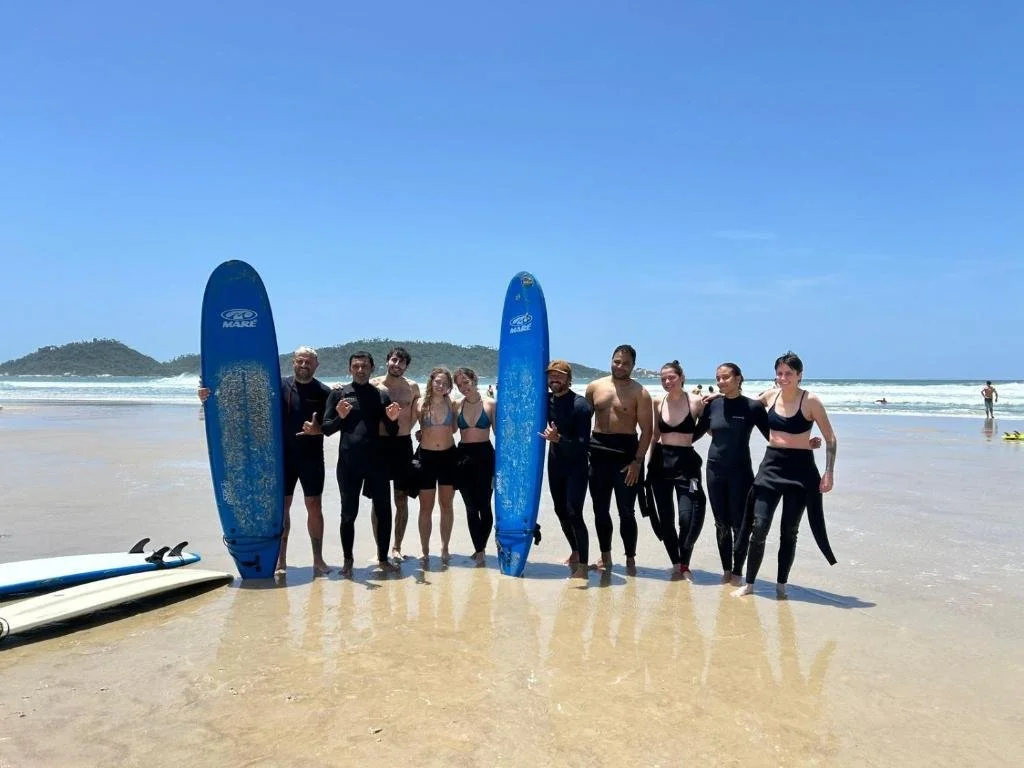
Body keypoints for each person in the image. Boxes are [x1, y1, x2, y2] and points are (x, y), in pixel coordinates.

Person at [198, 346, 332, 576]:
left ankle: (318, 559)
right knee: (282, 508)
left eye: (308, 362)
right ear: (293, 362)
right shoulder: (277, 385)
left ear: (316, 365)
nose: (304, 365)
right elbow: (242, 400)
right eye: (300, 361)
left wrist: (318, 429)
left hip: (311, 458)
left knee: (314, 506)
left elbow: (332, 426)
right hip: (281, 458)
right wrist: (208, 395)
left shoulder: (323, 392)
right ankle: (280, 559)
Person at [698, 363, 824, 586]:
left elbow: (775, 436)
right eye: (717, 378)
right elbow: (694, 433)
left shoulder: (752, 407)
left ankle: (738, 572)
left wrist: (805, 443)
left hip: (741, 471)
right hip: (714, 470)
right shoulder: (713, 405)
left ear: (738, 378)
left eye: (726, 377)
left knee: (741, 524)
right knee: (720, 524)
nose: (720, 381)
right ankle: (726, 569)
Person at [733, 352, 838, 599]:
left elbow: (831, 438)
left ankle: (781, 586)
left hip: (801, 472)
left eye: (788, 373)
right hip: (771, 467)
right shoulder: (770, 396)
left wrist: (829, 473)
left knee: (789, 531)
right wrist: (717, 397)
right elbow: (741, 405)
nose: (783, 378)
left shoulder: (811, 401)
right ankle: (749, 584)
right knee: (759, 527)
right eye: (779, 373)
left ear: (799, 375)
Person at [320, 351, 402, 576]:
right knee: (348, 513)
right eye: (355, 366)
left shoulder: (380, 395)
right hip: (349, 463)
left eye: (364, 366)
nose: (360, 369)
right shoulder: (339, 394)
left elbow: (392, 430)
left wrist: (394, 420)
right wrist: (340, 417)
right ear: (349, 369)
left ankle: (383, 559)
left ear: (372, 368)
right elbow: (327, 429)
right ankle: (348, 560)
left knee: (384, 511)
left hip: (377, 461)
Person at [585, 344, 654, 573]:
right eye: (617, 361)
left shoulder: (640, 392)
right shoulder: (594, 387)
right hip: (598, 453)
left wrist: (637, 462)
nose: (620, 366)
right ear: (611, 360)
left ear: (633, 365)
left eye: (625, 363)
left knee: (626, 511)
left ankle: (630, 559)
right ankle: (605, 556)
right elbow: (582, 421)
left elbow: (647, 431)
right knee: (600, 509)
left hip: (626, 456)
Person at [647, 361, 706, 580]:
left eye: (671, 377)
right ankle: (677, 563)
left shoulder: (696, 402)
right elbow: (654, 435)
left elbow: (710, 428)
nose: (667, 382)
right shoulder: (657, 402)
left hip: (687, 465)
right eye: (663, 379)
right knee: (666, 518)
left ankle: (685, 562)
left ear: (682, 377)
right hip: (661, 464)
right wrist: (648, 465)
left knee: (686, 517)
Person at [540, 360, 593, 579]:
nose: (555, 379)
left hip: (577, 465)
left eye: (559, 376)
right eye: (551, 375)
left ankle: (583, 565)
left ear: (568, 379)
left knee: (574, 513)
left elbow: (583, 444)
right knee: (560, 511)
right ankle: (575, 551)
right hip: (556, 463)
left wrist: (557, 438)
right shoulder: (546, 401)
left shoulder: (580, 405)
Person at [368, 346, 421, 561]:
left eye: (401, 362)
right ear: (387, 361)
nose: (397, 365)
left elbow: (418, 412)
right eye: (394, 360)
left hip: (402, 445)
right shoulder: (374, 385)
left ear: (406, 366)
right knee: (378, 500)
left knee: (401, 498)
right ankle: (380, 548)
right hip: (379, 446)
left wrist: (413, 430)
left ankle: (397, 547)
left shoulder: (413, 388)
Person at [454, 367, 496, 566]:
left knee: (485, 505)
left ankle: (481, 547)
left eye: (466, 383)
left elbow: (500, 434)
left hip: (485, 456)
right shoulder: (456, 405)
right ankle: (479, 549)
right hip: (462, 457)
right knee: (470, 507)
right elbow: (448, 429)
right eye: (459, 385)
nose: (463, 388)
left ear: (474, 380)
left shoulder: (491, 404)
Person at [416, 367, 459, 564]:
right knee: (426, 507)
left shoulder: (453, 404)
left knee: (446, 505)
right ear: (431, 382)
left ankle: (445, 547)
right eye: (437, 382)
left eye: (445, 383)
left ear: (449, 386)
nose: (440, 385)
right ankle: (425, 550)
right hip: (427, 458)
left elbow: (456, 428)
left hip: (448, 457)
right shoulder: (420, 404)